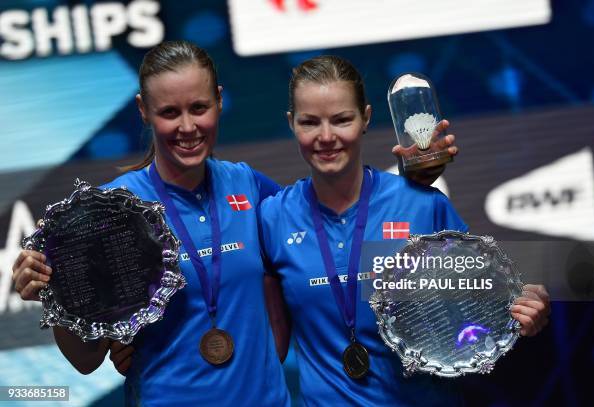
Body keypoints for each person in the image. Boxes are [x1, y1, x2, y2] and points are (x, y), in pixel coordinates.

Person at [10, 42, 457, 405]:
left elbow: (332, 203)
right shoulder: (115, 210)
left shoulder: (249, 186)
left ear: (220, 102)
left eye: (199, 108)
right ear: (144, 111)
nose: (188, 127)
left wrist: (414, 183)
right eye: (169, 112)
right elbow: (87, 360)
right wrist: (57, 299)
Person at [258, 55, 551, 406]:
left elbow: (481, 305)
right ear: (292, 123)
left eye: (341, 120)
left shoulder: (422, 205)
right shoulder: (272, 218)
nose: (326, 136)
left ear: (365, 118)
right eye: (309, 122)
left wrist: (524, 311)